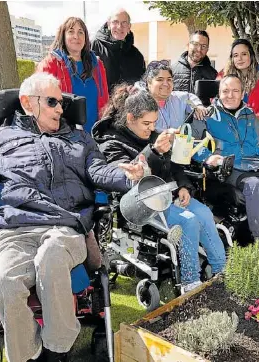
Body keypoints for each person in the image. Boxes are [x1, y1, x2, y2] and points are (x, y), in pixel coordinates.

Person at [0, 73, 144, 362]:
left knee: (50, 256)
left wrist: (127, 174)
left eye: (62, 102)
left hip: (65, 227)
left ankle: (56, 347)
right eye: (52, 101)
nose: (60, 108)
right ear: (28, 103)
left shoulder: (79, 139)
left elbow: (99, 171)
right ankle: (30, 352)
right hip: (15, 230)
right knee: (3, 284)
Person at [93, 85, 227, 293]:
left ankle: (221, 270)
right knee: (189, 221)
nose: (151, 128)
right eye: (146, 123)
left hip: (167, 194)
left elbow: (174, 165)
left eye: (154, 122)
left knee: (203, 213)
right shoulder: (110, 142)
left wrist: (183, 186)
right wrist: (154, 151)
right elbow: (128, 176)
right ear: (130, 118)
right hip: (142, 202)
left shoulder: (154, 135)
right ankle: (191, 283)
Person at [192, 75, 259, 248]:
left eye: (235, 91)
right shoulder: (208, 115)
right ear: (218, 94)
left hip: (254, 165)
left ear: (242, 93)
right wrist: (207, 157)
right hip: (228, 170)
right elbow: (193, 143)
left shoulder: (250, 116)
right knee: (254, 185)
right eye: (225, 91)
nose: (230, 95)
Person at [37, 17, 109, 135]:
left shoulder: (97, 65)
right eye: (71, 31)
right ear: (63, 36)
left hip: (95, 135)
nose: (76, 36)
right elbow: (39, 101)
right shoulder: (50, 63)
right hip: (64, 136)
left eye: (81, 32)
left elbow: (105, 98)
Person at [218, 38, 259, 134]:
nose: (240, 58)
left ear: (251, 56)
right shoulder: (223, 78)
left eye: (244, 54)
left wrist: (251, 120)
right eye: (236, 55)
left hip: (253, 133)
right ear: (232, 59)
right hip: (226, 132)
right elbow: (214, 103)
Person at [129, 62, 208, 135]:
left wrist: (196, 106)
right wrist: (166, 133)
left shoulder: (178, 98)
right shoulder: (140, 104)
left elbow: (189, 99)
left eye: (169, 79)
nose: (166, 84)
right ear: (149, 83)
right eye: (160, 79)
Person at [91, 8, 146, 93]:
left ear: (129, 27)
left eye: (124, 23)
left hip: (129, 104)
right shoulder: (93, 47)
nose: (120, 27)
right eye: (115, 22)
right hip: (102, 105)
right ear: (108, 25)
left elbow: (142, 82)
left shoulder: (136, 55)